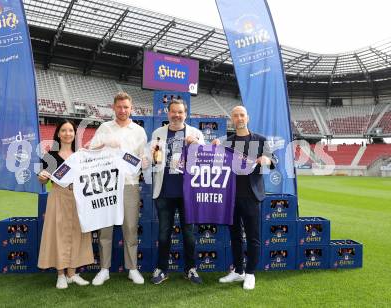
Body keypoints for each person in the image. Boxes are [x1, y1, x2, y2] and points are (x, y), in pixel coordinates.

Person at [89, 92, 147, 285]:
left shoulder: (139, 131)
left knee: (130, 228)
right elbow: (90, 152)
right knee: (105, 229)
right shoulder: (104, 128)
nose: (123, 110)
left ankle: (132, 268)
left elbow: (143, 159)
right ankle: (104, 269)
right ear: (113, 107)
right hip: (106, 185)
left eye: (126, 107)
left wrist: (146, 161)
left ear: (131, 109)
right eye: (120, 107)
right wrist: (104, 143)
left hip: (130, 185)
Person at [214, 105, 275, 290]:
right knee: (235, 236)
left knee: (253, 237)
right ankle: (238, 270)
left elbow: (274, 161)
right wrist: (213, 146)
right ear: (232, 119)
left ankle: (250, 274)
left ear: (247, 117)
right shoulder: (227, 142)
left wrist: (267, 160)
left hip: (251, 196)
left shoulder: (260, 140)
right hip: (230, 198)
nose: (239, 118)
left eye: (242, 115)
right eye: (235, 116)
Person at [150, 99, 205, 284]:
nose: (176, 115)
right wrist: (150, 156)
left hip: (188, 194)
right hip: (165, 192)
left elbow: (205, 161)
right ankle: (162, 269)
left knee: (189, 234)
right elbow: (153, 159)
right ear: (168, 113)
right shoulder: (158, 133)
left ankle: (190, 269)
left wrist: (196, 144)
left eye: (180, 112)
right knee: (164, 233)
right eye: (173, 112)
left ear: (185, 114)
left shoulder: (196, 134)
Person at [38, 120, 94, 289]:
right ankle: (61, 274)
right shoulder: (50, 156)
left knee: (77, 234)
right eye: (64, 130)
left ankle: (72, 273)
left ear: (74, 134)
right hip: (58, 196)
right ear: (58, 133)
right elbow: (42, 178)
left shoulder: (81, 154)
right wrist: (41, 177)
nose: (67, 133)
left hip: (79, 197)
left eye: (71, 130)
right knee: (59, 234)